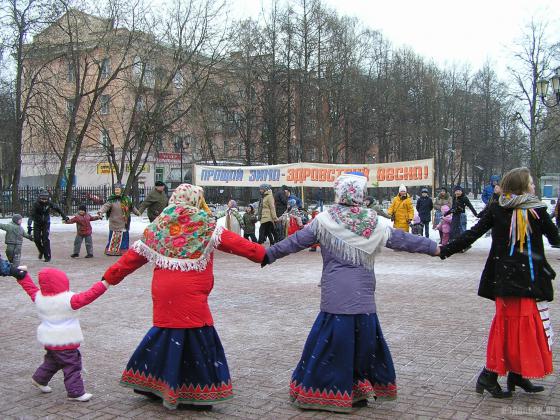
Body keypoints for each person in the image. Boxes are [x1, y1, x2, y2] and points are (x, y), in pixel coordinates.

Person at [261, 172, 439, 413]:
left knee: (331, 346)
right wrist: (433, 247)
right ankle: (357, 387)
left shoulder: (324, 221)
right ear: (361, 195)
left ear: (340, 193)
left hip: (335, 296)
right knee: (362, 346)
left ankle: (326, 391)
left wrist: (268, 254)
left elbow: (295, 242)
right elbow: (402, 239)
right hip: (363, 297)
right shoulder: (374, 222)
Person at [102, 183, 266, 410]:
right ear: (196, 201)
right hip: (190, 292)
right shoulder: (205, 225)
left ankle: (149, 381)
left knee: (165, 333)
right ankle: (196, 392)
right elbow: (237, 244)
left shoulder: (158, 226)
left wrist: (110, 277)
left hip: (164, 292)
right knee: (197, 339)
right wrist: (263, 254)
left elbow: (132, 257)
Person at [439, 167, 560, 398]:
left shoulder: (536, 210)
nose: (534, 186)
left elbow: (555, 238)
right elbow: (473, 234)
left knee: (524, 328)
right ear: (521, 186)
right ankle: (490, 374)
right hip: (505, 281)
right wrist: (444, 250)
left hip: (529, 280)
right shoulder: (498, 209)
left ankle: (516, 373)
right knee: (509, 328)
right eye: (531, 183)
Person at [9, 266, 110, 401]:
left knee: (53, 361)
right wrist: (104, 284)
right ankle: (75, 392)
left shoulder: (39, 298)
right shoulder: (68, 300)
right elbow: (88, 296)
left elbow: (30, 288)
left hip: (49, 340)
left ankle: (39, 379)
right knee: (72, 365)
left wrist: (22, 276)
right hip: (65, 341)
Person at [98, 183, 139, 256]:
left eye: (118, 190)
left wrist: (137, 212)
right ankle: (112, 251)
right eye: (116, 190)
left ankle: (123, 251)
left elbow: (131, 207)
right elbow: (105, 206)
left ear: (121, 190)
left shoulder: (126, 199)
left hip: (124, 222)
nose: (117, 191)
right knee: (113, 237)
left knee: (124, 238)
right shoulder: (111, 200)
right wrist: (100, 212)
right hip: (114, 222)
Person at [27, 190, 68, 262]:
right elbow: (31, 214)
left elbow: (58, 209)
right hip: (37, 223)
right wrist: (29, 224)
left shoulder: (49, 203)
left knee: (45, 239)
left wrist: (64, 217)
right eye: (42, 199)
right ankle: (41, 251)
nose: (44, 201)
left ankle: (47, 256)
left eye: (45, 199)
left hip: (46, 223)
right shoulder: (36, 204)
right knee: (37, 239)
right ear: (39, 198)